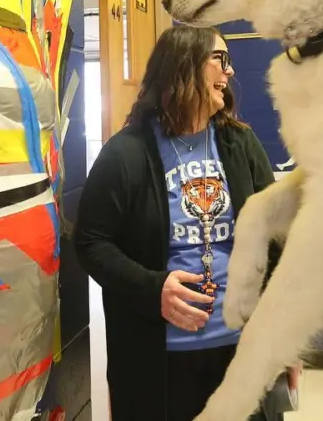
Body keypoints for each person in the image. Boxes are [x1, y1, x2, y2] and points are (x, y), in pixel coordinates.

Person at [74, 25, 295, 421]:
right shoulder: (126, 152)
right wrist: (151, 287)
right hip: (159, 363)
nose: (229, 73)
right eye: (220, 59)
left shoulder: (241, 143)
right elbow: (91, 244)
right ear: (184, 66)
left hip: (242, 352)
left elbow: (277, 237)